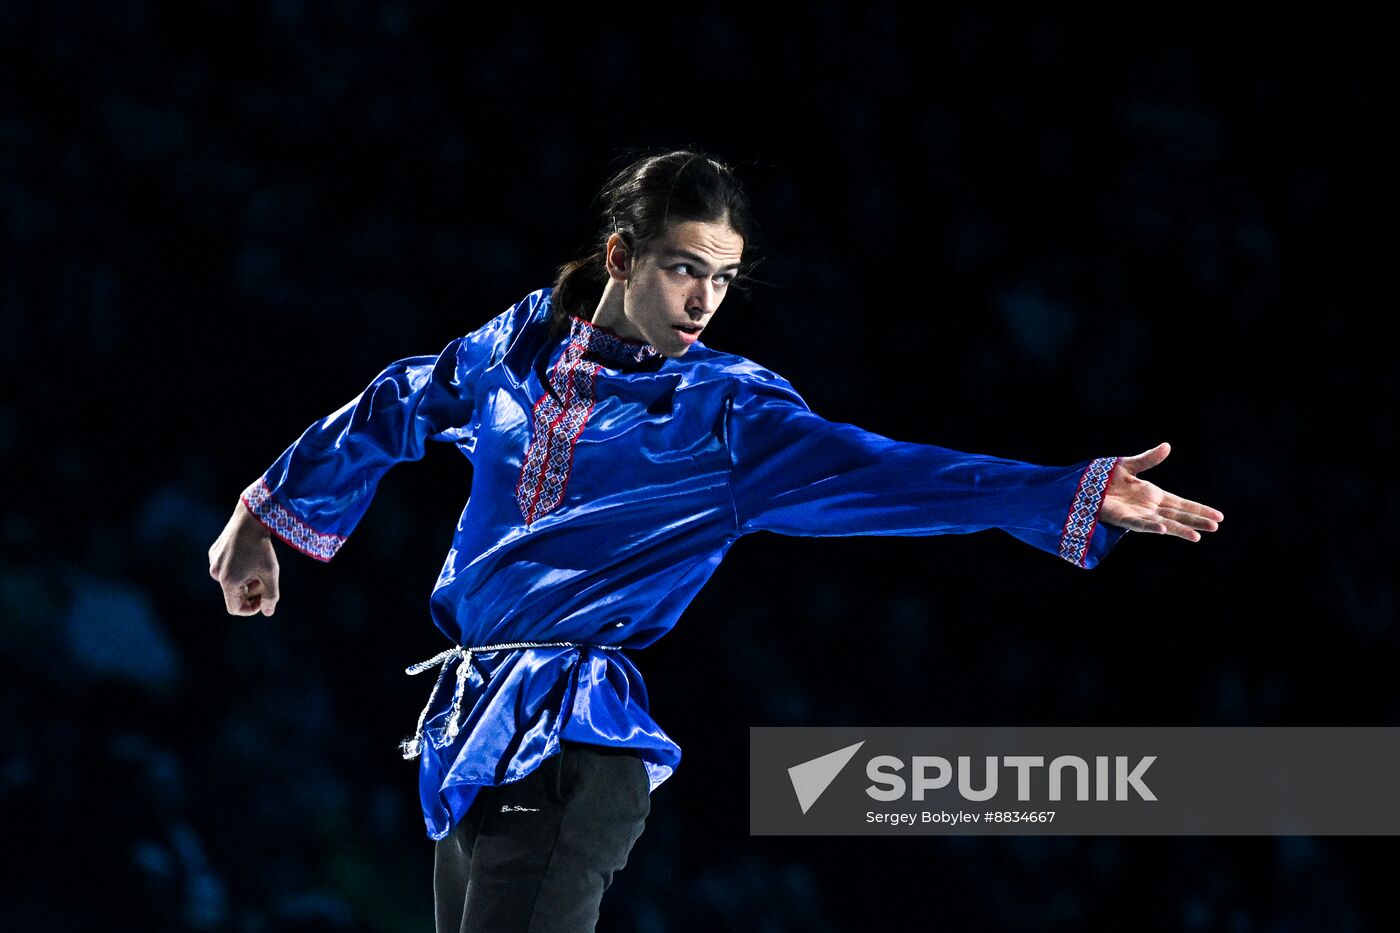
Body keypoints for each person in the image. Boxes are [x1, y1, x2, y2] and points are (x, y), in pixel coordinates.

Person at [208, 149, 1223, 932]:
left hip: (570, 746)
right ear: (620, 257)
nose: (702, 301)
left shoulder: (722, 410)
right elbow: (397, 400)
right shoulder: (514, 349)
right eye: (681, 269)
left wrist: (1065, 492)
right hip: (469, 740)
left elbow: (882, 469)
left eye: (723, 279)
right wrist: (260, 518)